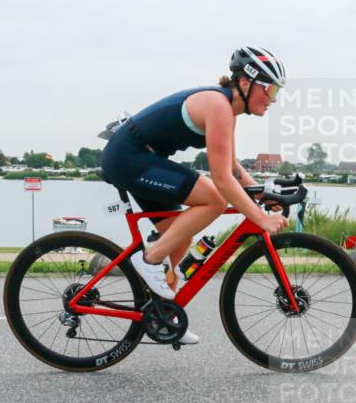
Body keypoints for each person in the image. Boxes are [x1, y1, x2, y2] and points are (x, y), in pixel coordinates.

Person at [100, 46, 289, 344]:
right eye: (270, 89)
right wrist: (260, 218)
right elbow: (222, 180)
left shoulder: (228, 110)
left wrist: (261, 196)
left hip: (139, 159)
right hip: (128, 158)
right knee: (215, 199)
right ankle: (150, 259)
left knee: (178, 236)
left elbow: (232, 166)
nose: (273, 98)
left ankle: (164, 316)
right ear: (245, 82)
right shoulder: (218, 106)